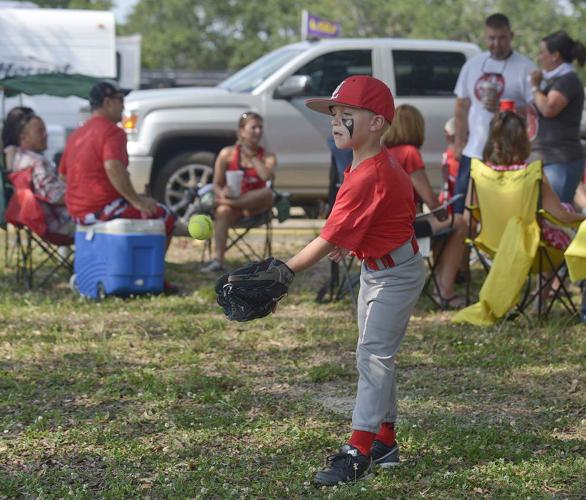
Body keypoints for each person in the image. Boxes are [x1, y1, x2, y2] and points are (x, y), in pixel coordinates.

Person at [284, 75, 424, 486]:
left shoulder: (369, 172)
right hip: (381, 267)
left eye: (347, 115)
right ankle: (385, 441)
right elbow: (383, 215)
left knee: (372, 357)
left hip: (394, 274)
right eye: (334, 114)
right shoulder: (364, 163)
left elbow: (327, 238)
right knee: (376, 356)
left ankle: (358, 449)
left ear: (377, 123)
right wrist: (358, 240)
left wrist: (284, 272)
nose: (336, 121)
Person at [59, 80, 177, 292]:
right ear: (107, 102)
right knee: (165, 216)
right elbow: (113, 167)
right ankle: (153, 276)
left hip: (76, 212)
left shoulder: (77, 134)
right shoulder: (113, 131)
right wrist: (137, 201)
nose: (123, 106)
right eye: (120, 100)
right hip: (101, 209)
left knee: (146, 210)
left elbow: (63, 176)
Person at [384, 104, 467, 308]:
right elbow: (429, 199)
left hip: (384, 225)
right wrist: (445, 212)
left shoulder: (384, 152)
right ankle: (444, 289)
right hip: (405, 226)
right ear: (415, 128)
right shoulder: (409, 153)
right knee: (460, 223)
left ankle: (439, 280)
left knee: (445, 225)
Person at [453, 13, 536, 214]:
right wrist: (458, 142)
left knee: (502, 214)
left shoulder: (526, 68)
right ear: (485, 37)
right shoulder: (472, 65)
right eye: (491, 38)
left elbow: (535, 112)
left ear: (511, 36)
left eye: (502, 38)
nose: (496, 44)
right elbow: (461, 106)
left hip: (508, 155)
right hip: (474, 151)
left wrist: (506, 108)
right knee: (461, 212)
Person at [201, 111, 276, 273]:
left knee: (267, 193)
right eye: (253, 127)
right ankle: (218, 260)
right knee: (222, 211)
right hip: (235, 206)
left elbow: (266, 176)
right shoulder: (227, 154)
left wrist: (252, 157)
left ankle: (226, 203)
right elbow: (216, 184)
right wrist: (223, 192)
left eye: (260, 128)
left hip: (257, 206)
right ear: (242, 131)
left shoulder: (268, 156)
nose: (258, 131)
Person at [530, 30, 585, 204]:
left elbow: (548, 109)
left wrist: (535, 88)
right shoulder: (554, 81)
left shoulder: (567, 81)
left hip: (560, 161)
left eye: (542, 52)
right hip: (547, 159)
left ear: (555, 55)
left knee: (555, 217)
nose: (539, 57)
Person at [8, 111, 73, 236]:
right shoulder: (37, 162)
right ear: (23, 136)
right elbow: (56, 197)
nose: (45, 135)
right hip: (58, 223)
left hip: (38, 220)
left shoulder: (18, 159)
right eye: (40, 131)